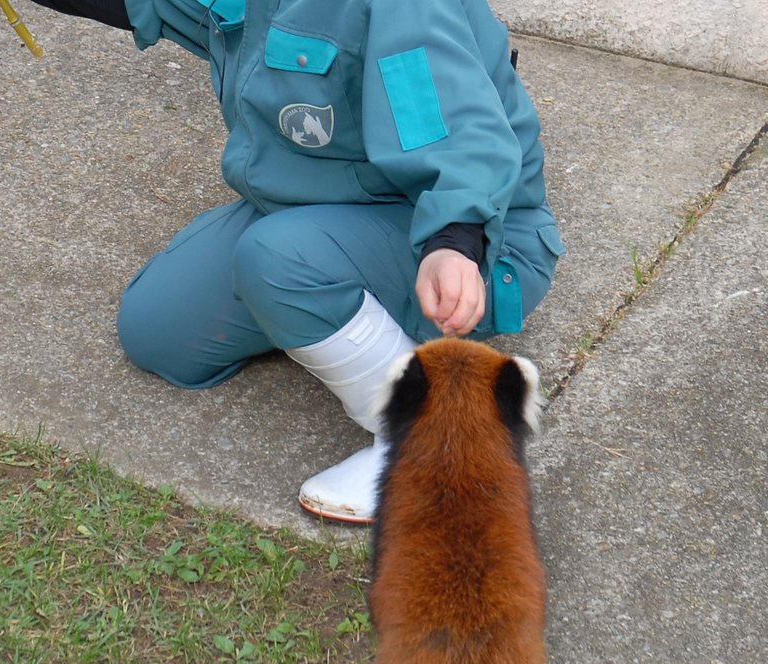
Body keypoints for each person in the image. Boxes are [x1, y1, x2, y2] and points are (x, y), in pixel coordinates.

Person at [29, 0, 565, 522]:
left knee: (275, 259)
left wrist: (456, 240)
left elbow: (458, 127)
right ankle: (324, 307)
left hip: (467, 236)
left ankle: (438, 440)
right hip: (317, 209)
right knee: (158, 328)